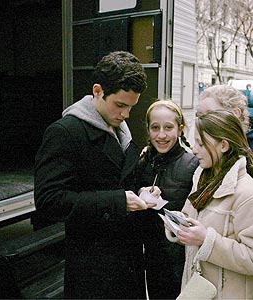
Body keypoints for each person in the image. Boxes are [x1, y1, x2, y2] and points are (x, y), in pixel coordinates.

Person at [34, 51, 154, 299]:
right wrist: (118, 202)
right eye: (120, 105)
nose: (126, 115)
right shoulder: (64, 132)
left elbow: (127, 177)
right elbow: (48, 200)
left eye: (131, 106)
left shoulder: (123, 129)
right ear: (97, 91)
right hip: (92, 267)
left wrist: (144, 190)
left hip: (127, 261)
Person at [166, 110, 253, 299]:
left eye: (201, 143)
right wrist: (179, 224)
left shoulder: (247, 194)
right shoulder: (202, 178)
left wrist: (207, 240)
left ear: (223, 145)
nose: (194, 149)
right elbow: (191, 217)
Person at [138, 100, 199, 299]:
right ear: (148, 130)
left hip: (180, 259)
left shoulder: (193, 164)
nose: (161, 135)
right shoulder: (143, 161)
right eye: (155, 128)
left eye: (168, 128)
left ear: (180, 129)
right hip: (151, 257)